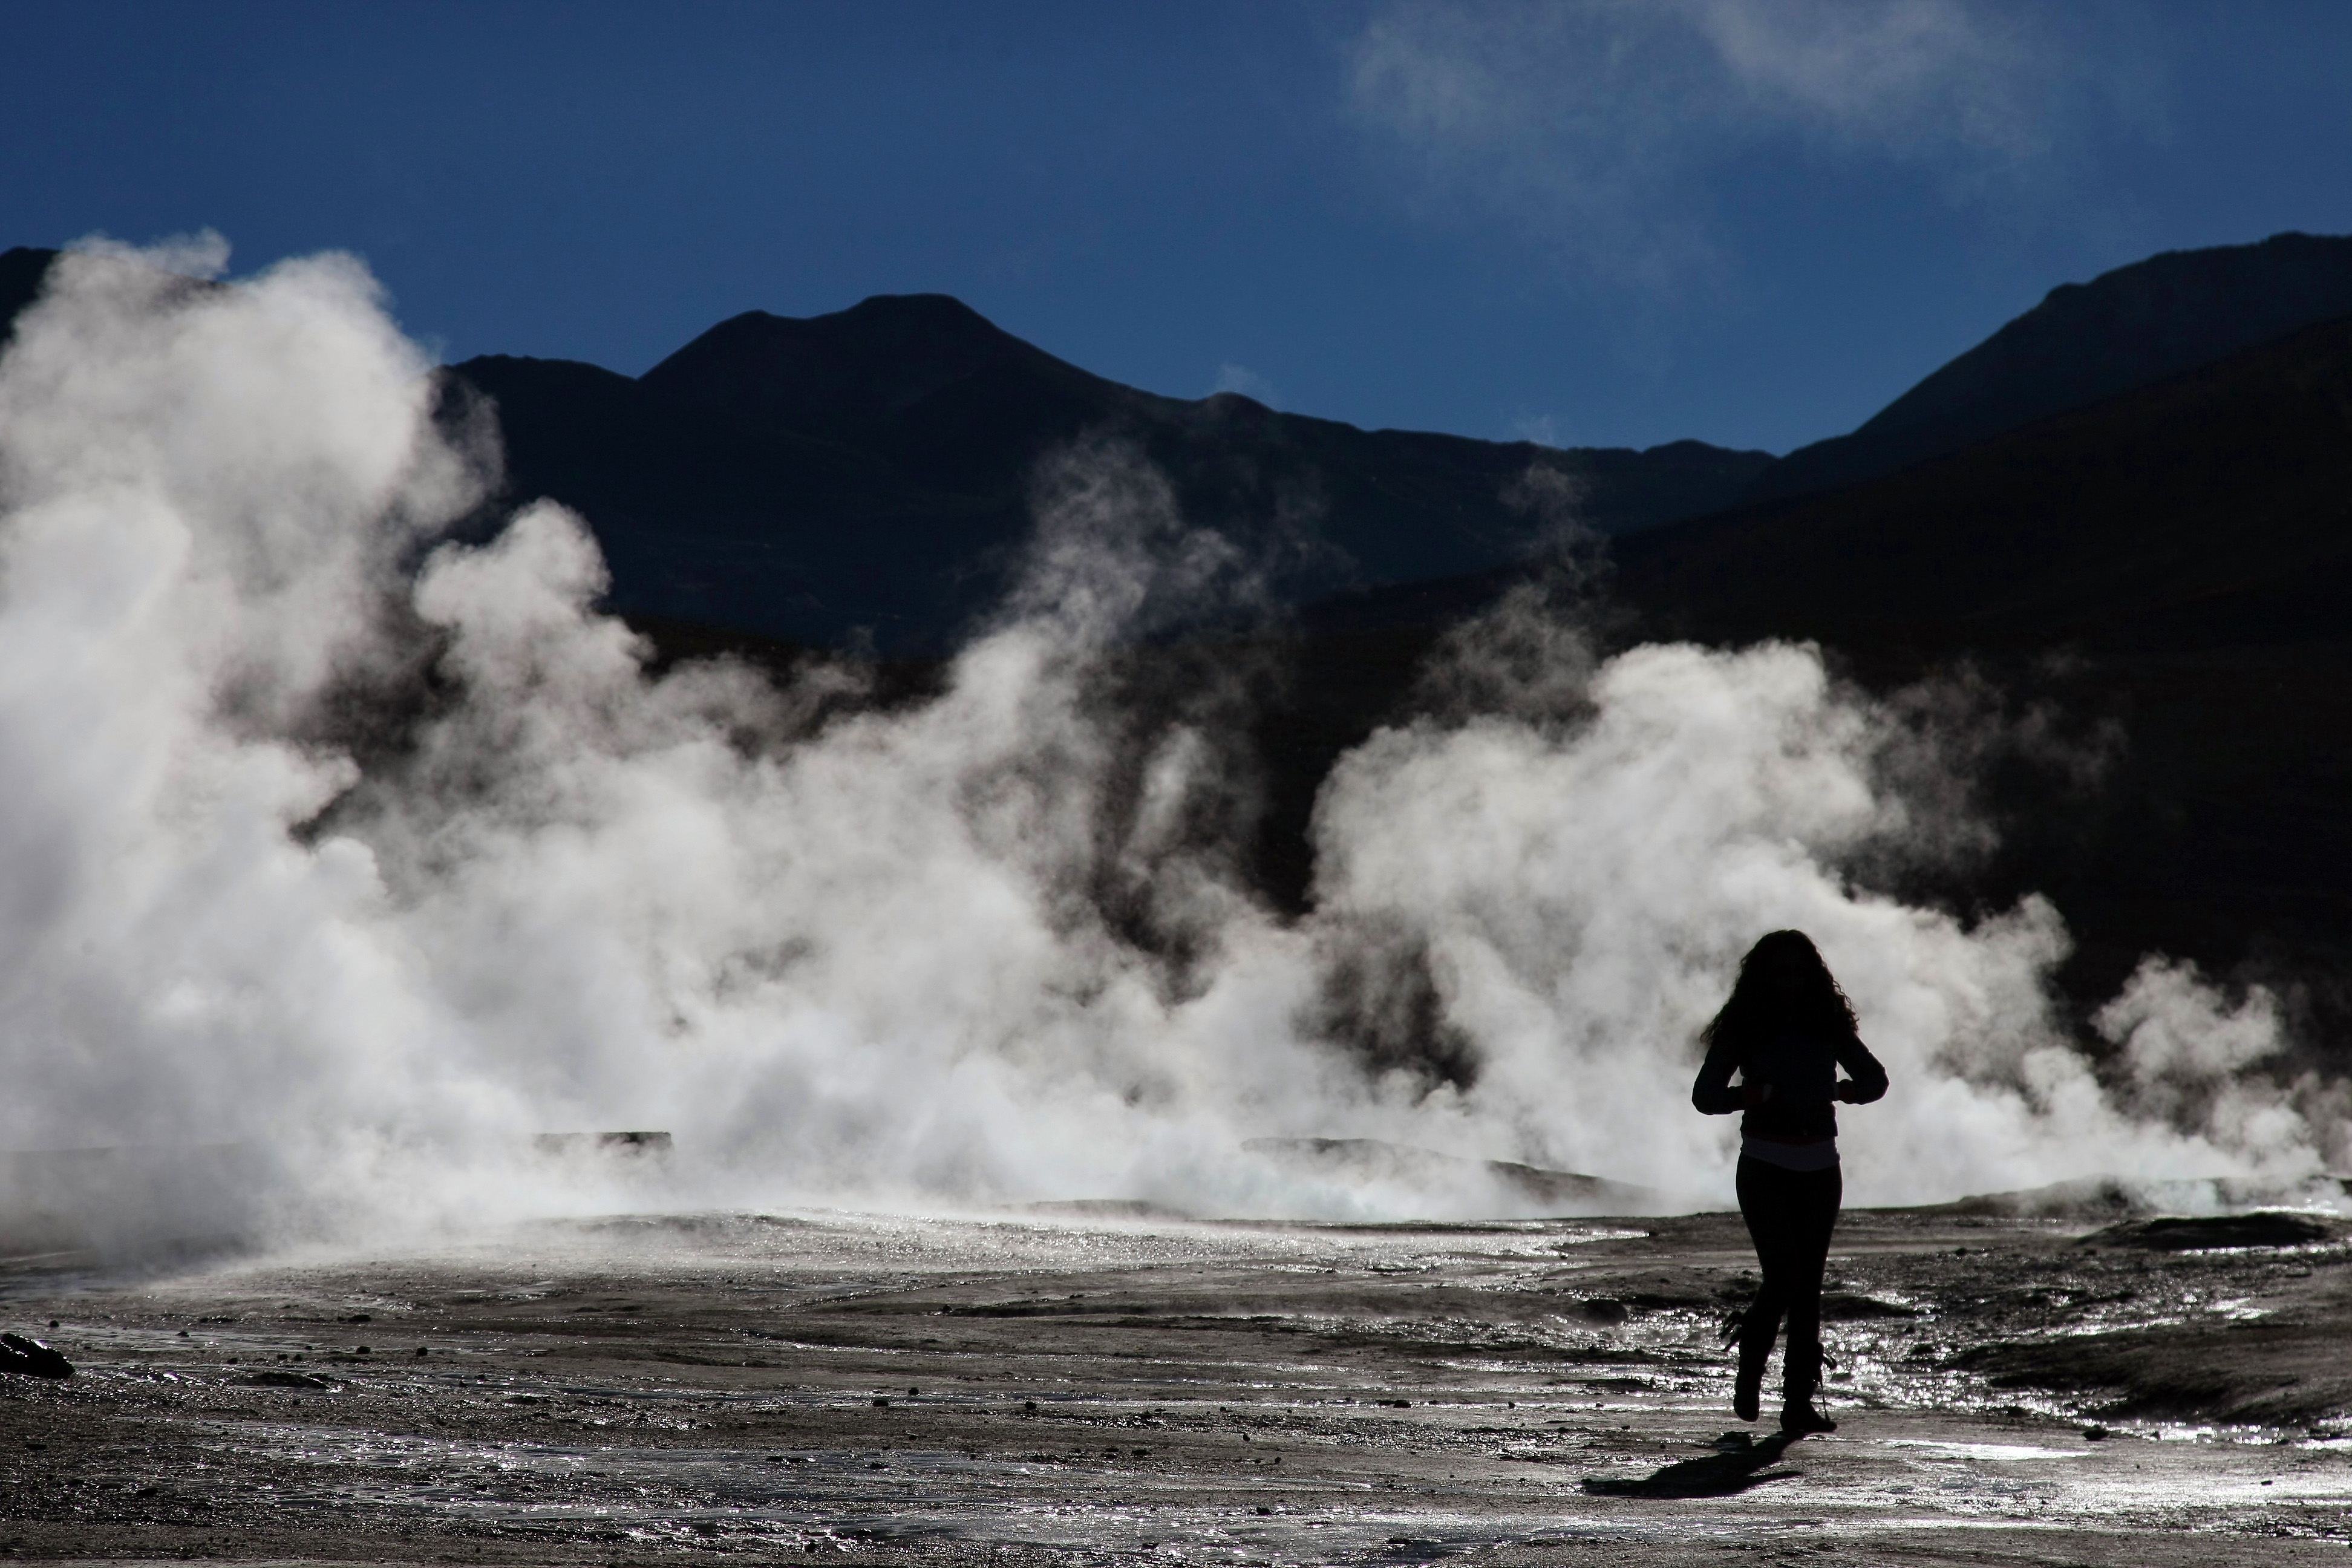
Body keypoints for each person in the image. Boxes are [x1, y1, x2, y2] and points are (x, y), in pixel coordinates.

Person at [1691, 929, 1888, 1435]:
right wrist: (1753, 1096)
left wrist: (1840, 1091)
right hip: (1765, 1165)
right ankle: (1751, 1370)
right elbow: (1706, 1095)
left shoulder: (1827, 1023)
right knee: (1785, 1277)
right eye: (1780, 973)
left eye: (1798, 972)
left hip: (1820, 1167)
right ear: (1763, 977)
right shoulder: (1744, 1026)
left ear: (1812, 976)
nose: (1790, 982)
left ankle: (1796, 1404)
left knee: (1808, 1288)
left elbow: (1876, 1080)